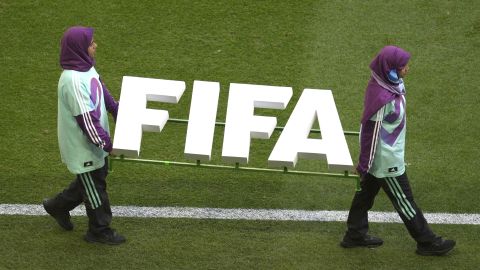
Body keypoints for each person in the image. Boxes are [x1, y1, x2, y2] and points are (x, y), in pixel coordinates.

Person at [340, 46, 455, 256]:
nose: (407, 69)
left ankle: (354, 234)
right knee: (404, 200)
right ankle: (427, 241)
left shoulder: (390, 84)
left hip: (385, 155)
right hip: (386, 159)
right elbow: (370, 134)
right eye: (403, 66)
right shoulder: (381, 99)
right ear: (390, 69)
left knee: (365, 194)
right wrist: (364, 164)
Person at [43, 26, 125, 245]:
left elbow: (99, 87)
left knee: (93, 179)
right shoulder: (72, 81)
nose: (95, 45)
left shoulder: (85, 67)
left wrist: (114, 108)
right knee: (95, 188)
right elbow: (85, 121)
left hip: (93, 141)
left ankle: (56, 206)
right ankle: (99, 231)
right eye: (91, 43)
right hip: (84, 145)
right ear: (80, 48)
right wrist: (107, 144)